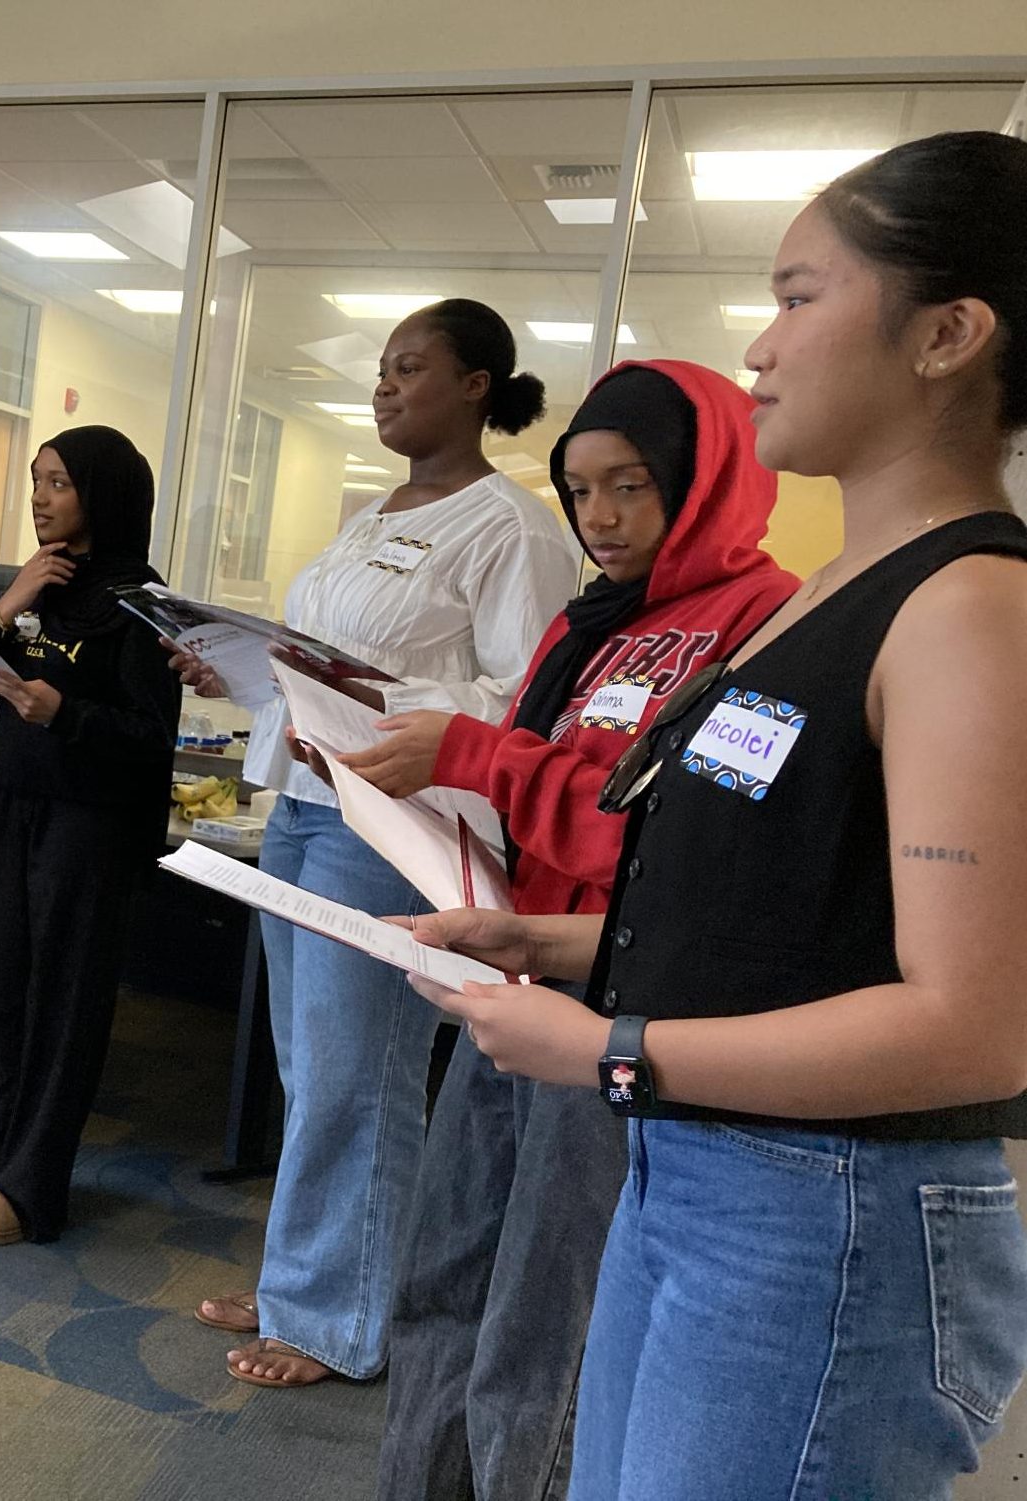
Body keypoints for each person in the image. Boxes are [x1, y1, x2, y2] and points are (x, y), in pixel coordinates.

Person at [409, 131, 1027, 1499]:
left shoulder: (971, 609)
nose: (758, 346)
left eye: (800, 297)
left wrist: (611, 1051)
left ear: (947, 333)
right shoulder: (834, 592)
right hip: (697, 1178)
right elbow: (793, 910)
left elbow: (971, 1023)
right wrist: (553, 945)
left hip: (826, 1216)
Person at [340, 361, 797, 1499]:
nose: (601, 518)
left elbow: (667, 844)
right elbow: (536, 794)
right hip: (514, 975)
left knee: (544, 1324)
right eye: (581, 490)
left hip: (612, 1006)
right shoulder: (585, 623)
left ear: (705, 483)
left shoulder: (768, 623)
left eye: (632, 486)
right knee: (445, 1281)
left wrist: (474, 753)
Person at [173, 299, 578, 1387]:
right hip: (305, 805)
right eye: (381, 370)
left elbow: (525, 700)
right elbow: (321, 660)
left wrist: (376, 709)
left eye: (411, 368)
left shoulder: (512, 527)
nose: (385, 386)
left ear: (477, 384)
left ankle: (335, 1318)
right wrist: (237, 671)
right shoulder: (375, 512)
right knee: (312, 1069)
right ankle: (317, 1271)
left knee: (363, 1075)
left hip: (388, 827)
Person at [0, 426, 179, 1246]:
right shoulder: (37, 587)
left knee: (60, 1004)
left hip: (89, 822)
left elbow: (149, 736)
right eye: (36, 481)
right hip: (14, 807)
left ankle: (27, 1186)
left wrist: (64, 712)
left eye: (58, 482)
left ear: (100, 494)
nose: (40, 497)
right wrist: (5, 605)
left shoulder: (140, 601)